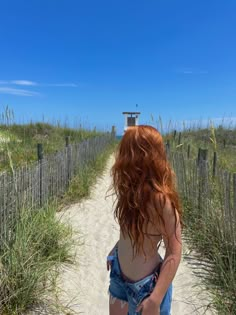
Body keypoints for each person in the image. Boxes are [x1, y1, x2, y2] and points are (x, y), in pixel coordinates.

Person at [106, 125, 183, 315]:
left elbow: (174, 252)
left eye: (126, 152)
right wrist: (115, 249)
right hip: (118, 273)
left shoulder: (161, 201)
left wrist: (156, 299)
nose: (120, 158)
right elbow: (129, 230)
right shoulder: (130, 191)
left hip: (146, 288)